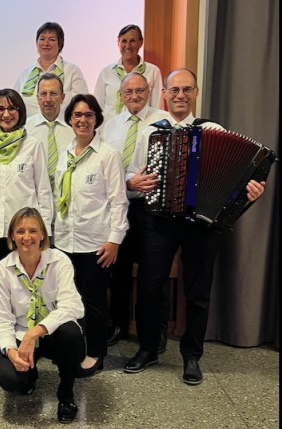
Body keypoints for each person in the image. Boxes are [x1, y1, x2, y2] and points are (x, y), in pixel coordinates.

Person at [123, 68, 265, 385]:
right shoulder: (151, 132)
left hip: (202, 224)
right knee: (149, 286)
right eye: (174, 90)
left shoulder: (213, 130)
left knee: (198, 292)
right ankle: (148, 348)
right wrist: (133, 182)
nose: (180, 95)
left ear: (196, 93)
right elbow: (132, 177)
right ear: (164, 94)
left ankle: (192, 356)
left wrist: (250, 191)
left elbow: (236, 179)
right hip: (158, 220)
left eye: (186, 89)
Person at [53, 94, 129, 377]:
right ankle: (74, 348)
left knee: (93, 301)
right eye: (77, 115)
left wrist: (114, 240)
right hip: (65, 240)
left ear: (97, 119)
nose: (82, 120)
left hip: (95, 243)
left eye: (88, 115)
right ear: (69, 119)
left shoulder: (107, 155)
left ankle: (96, 353)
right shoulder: (65, 154)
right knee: (68, 300)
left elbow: (119, 201)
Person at [0, 207, 85, 424]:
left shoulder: (59, 261)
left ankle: (66, 394)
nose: (27, 237)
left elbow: (73, 306)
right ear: (12, 236)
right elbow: (2, 320)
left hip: (53, 332)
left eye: (33, 230)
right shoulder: (1, 270)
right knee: (9, 379)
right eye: (20, 231)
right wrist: (11, 351)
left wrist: (35, 333)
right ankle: (28, 377)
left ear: (43, 234)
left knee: (71, 334)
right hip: (20, 333)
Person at [99, 72, 170, 349]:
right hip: (120, 206)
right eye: (128, 92)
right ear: (121, 96)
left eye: (139, 90)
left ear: (149, 91)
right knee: (119, 270)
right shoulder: (110, 126)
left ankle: (154, 331)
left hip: (153, 208)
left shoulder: (164, 121)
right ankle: (118, 324)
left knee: (154, 273)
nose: (134, 96)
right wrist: (128, 182)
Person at [0, 89, 53, 284]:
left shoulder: (33, 146)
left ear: (20, 111)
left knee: (25, 287)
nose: (6, 114)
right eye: (0, 109)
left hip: (25, 234)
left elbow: (43, 191)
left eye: (11, 108)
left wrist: (45, 233)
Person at [14, 22, 88, 118]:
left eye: (52, 39)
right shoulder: (25, 74)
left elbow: (83, 105)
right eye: (42, 39)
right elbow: (14, 105)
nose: (46, 43)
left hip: (64, 126)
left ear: (60, 44)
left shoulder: (72, 71)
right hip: (30, 126)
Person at [94, 24, 163, 123]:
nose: (128, 46)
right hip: (111, 129)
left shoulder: (153, 72)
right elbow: (97, 108)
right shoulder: (106, 72)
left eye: (132, 41)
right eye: (124, 41)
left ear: (141, 42)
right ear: (118, 42)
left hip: (142, 128)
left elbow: (157, 109)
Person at [24, 73, 76, 191]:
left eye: (53, 94)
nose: (48, 99)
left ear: (62, 97)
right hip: (34, 193)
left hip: (67, 194)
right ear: (37, 98)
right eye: (43, 94)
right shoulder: (25, 129)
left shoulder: (74, 129)